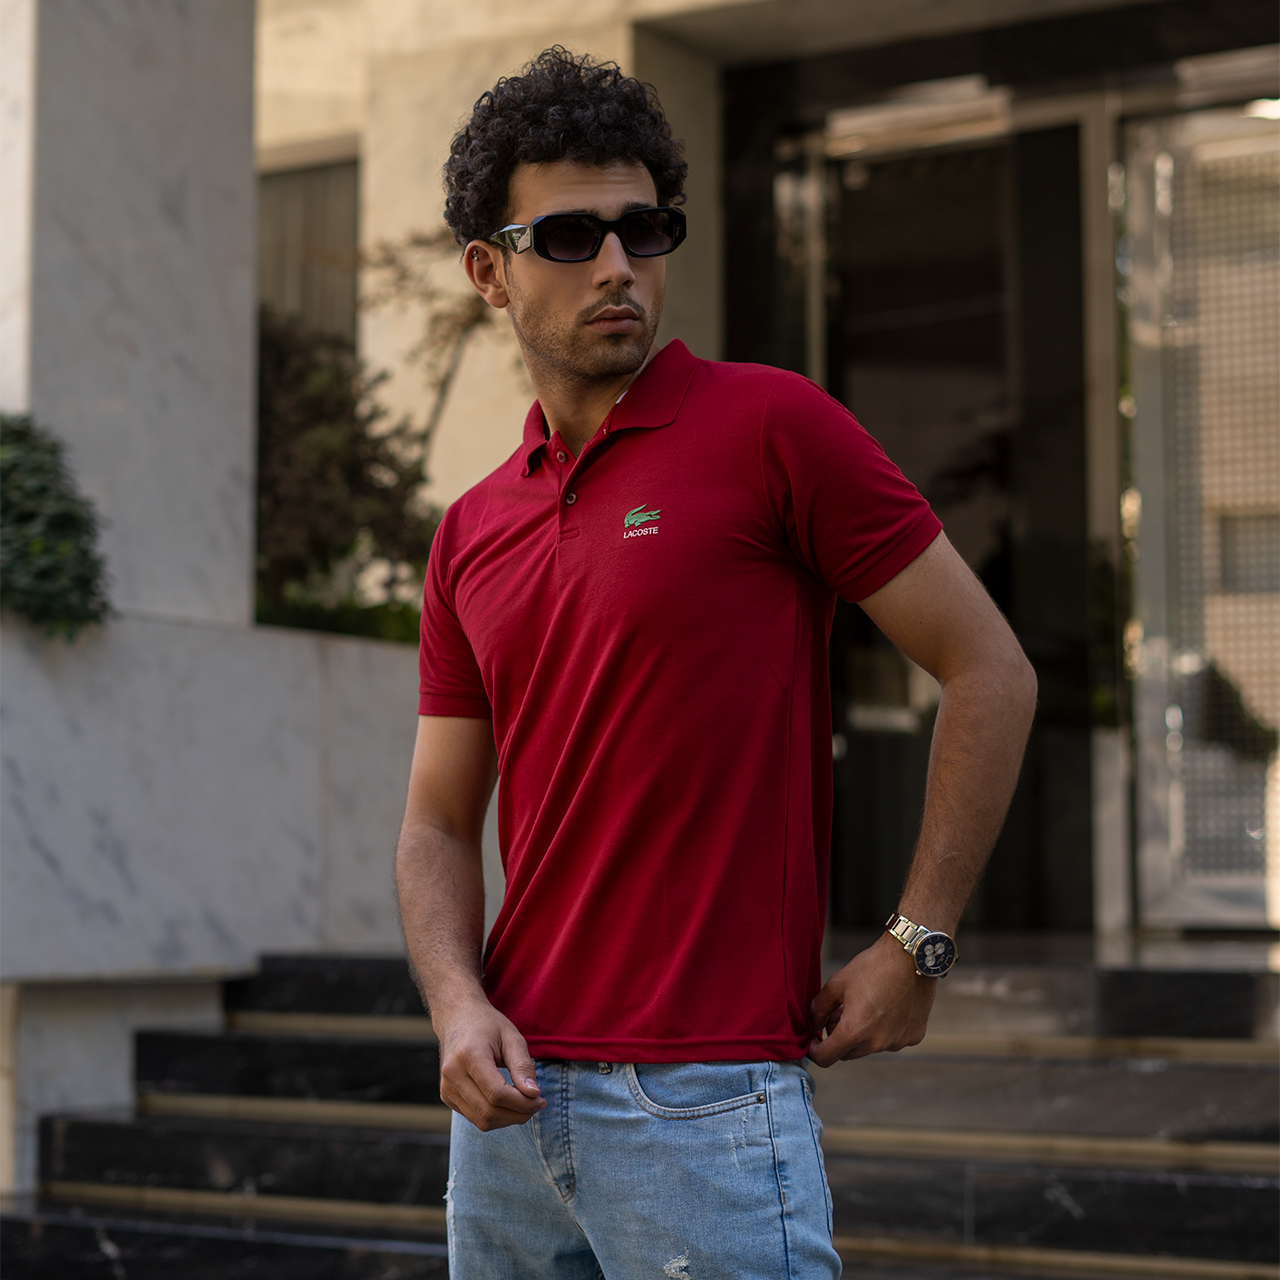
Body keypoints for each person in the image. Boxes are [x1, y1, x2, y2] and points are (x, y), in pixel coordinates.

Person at [396, 47, 1037, 1280]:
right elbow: (434, 819)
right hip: (510, 1114)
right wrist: (455, 1002)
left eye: (642, 229)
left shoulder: (770, 428)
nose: (616, 265)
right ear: (488, 270)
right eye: (569, 235)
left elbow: (988, 669)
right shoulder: (470, 531)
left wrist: (917, 941)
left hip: (704, 1101)